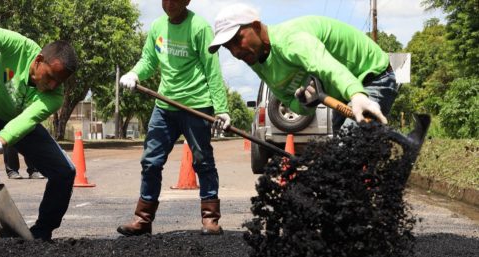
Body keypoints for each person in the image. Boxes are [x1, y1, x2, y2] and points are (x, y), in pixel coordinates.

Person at [0, 19, 78, 246]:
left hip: (15, 120)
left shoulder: (55, 96)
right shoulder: (18, 46)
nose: (51, 85)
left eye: (58, 82)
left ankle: (41, 233)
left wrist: (2, 139)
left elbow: (28, 119)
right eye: (49, 77)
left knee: (65, 171)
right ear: (38, 61)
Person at [117, 0, 231, 237]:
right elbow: (149, 61)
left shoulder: (199, 27)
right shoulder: (158, 27)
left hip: (197, 106)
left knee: (203, 161)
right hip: (164, 106)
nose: (169, 4)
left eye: (176, 0)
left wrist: (221, 109)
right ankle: (143, 219)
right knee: (150, 161)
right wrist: (135, 73)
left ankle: (210, 219)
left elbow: (212, 69)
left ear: (187, 1)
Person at [208, 3, 396, 134]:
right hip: (344, 95)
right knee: (344, 155)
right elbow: (290, 101)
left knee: (349, 149)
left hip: (372, 75)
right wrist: (305, 102)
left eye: (237, 40)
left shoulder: (290, 40)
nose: (235, 52)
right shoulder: (257, 60)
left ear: (256, 26)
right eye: (228, 47)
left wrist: (356, 94)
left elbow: (326, 66)